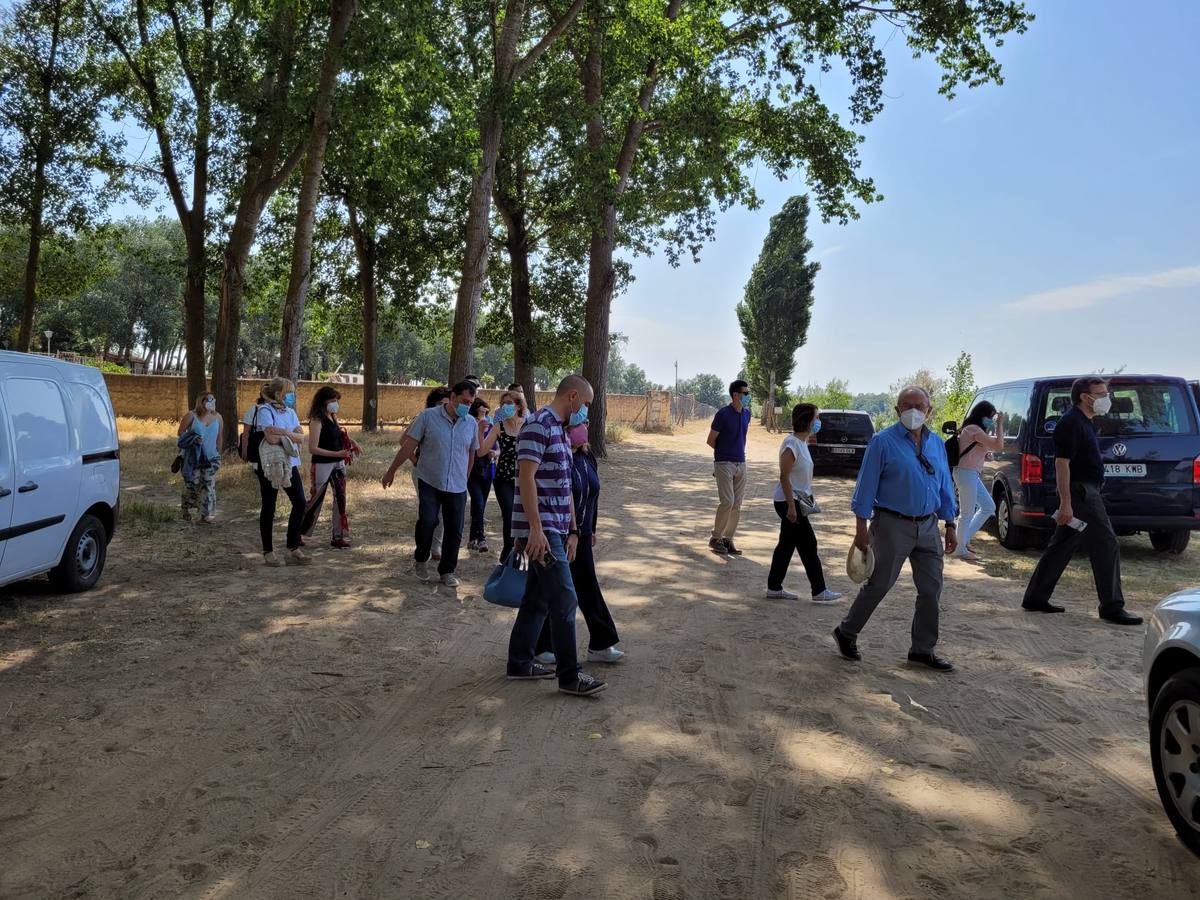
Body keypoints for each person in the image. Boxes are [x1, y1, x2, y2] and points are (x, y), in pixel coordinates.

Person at [832, 386, 959, 671]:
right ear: (897, 410)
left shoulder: (936, 444)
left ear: (930, 410)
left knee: (931, 589)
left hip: (928, 525)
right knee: (879, 584)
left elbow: (945, 486)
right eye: (906, 405)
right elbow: (865, 489)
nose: (913, 411)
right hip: (891, 525)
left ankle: (922, 650)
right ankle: (847, 632)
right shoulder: (882, 442)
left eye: (919, 405)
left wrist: (950, 523)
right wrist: (861, 530)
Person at [506, 375, 607, 696]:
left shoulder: (561, 432)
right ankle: (569, 676)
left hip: (558, 529)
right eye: (586, 405)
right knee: (565, 598)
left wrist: (575, 530)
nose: (586, 413)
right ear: (573, 396)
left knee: (537, 599)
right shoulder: (537, 425)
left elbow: (565, 487)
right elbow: (526, 479)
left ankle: (520, 661)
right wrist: (535, 530)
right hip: (542, 531)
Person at [1021, 376, 1142, 625]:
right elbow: (1061, 464)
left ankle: (1035, 598)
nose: (1106, 399)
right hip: (1081, 494)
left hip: (1085, 491)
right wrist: (1066, 502)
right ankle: (1112, 607)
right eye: (1101, 394)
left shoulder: (1085, 422)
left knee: (1062, 545)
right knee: (1107, 544)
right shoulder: (1070, 423)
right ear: (1085, 397)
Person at [533, 414, 624, 666]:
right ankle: (541, 644)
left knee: (585, 586)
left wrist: (589, 529)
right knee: (557, 590)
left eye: (585, 424)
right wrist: (570, 531)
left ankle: (600, 643)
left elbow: (592, 496)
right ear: (566, 430)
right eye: (578, 425)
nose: (584, 429)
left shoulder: (586, 457)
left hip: (580, 535)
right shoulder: (560, 458)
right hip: (560, 533)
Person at [381, 381, 481, 586]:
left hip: (457, 485)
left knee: (455, 530)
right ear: (453, 397)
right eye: (464, 401)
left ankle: (447, 571)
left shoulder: (470, 423)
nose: (467, 406)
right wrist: (391, 471)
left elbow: (472, 453)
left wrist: (466, 476)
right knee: (428, 521)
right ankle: (421, 558)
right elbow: (408, 446)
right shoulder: (428, 417)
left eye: (470, 403)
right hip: (430, 480)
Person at [767, 403, 842, 602]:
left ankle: (774, 587)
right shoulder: (791, 444)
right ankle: (819, 590)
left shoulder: (803, 443)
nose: (819, 421)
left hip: (798, 501)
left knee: (786, 545)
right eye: (817, 417)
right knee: (809, 544)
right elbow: (784, 477)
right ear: (807, 420)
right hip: (789, 502)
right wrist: (791, 506)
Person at [253, 377, 309, 567]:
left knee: (300, 502)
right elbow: (269, 436)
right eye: (289, 392)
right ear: (278, 394)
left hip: (290, 464)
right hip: (271, 465)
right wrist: (290, 435)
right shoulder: (264, 411)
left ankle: (293, 547)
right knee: (269, 506)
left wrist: (284, 433)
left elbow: (301, 437)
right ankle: (268, 551)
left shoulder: (291, 413)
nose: (292, 396)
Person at [301, 386, 357, 548]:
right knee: (316, 500)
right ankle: (298, 532)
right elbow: (313, 448)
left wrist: (352, 442)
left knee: (341, 499)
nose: (335, 404)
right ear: (323, 401)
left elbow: (338, 434)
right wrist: (337, 455)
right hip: (322, 465)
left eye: (336, 401)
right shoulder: (317, 420)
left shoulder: (332, 416)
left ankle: (338, 536)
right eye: (332, 401)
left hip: (338, 464)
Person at [951, 402, 1006, 562]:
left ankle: (962, 541)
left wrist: (984, 454)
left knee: (989, 506)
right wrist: (1000, 425)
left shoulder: (971, 429)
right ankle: (960, 549)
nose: (992, 420)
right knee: (966, 513)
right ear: (984, 415)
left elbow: (977, 448)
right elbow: (999, 445)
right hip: (966, 473)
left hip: (969, 473)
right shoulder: (974, 429)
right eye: (991, 417)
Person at [707, 379, 751, 555]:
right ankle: (715, 538)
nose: (748, 396)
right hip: (724, 463)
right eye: (745, 393)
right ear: (736, 395)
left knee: (737, 504)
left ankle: (728, 539)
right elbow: (711, 440)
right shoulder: (723, 414)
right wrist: (724, 454)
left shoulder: (746, 414)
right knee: (728, 501)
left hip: (741, 463)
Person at [491, 389, 527, 561]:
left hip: (524, 479)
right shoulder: (499, 426)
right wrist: (478, 429)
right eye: (503, 403)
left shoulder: (528, 425)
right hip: (503, 479)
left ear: (518, 405)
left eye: (509, 403)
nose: (505, 407)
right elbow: (482, 449)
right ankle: (507, 554)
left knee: (522, 516)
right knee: (509, 513)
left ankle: (520, 552)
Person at [178, 391, 222, 524]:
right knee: (193, 484)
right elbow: (180, 433)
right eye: (209, 399)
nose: (212, 402)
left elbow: (220, 438)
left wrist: (219, 455)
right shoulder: (192, 415)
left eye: (213, 399)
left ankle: (206, 514)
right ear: (201, 401)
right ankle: (186, 508)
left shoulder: (218, 417)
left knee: (208, 485)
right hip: (193, 458)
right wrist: (193, 438)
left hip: (211, 458)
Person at [467, 397, 499, 553]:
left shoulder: (492, 426)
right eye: (479, 410)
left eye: (485, 409)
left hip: (487, 471)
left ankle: (472, 538)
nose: (483, 412)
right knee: (478, 504)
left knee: (479, 507)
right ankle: (481, 538)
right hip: (472, 470)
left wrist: (495, 453)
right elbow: (476, 448)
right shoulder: (470, 425)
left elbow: (498, 448)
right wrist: (479, 428)